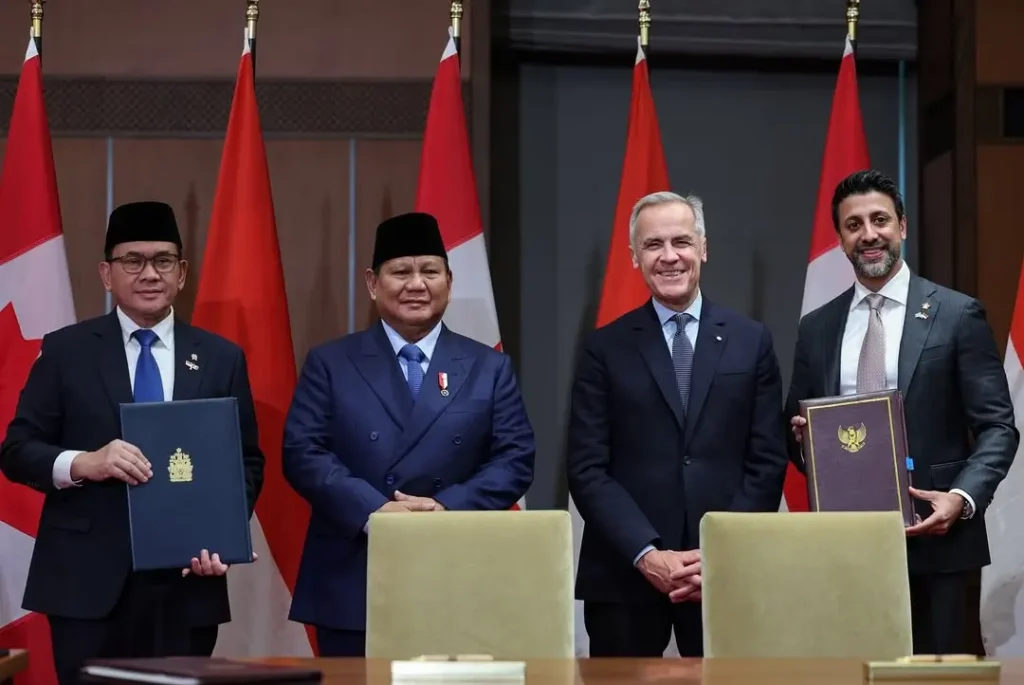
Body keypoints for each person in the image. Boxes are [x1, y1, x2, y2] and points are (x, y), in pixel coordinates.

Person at [0, 201, 265, 685]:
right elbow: (17, 450)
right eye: (132, 261)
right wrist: (84, 463)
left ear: (182, 273)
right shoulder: (66, 351)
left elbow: (246, 462)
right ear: (107, 273)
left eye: (163, 261)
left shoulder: (220, 358)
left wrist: (220, 537)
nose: (149, 273)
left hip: (186, 585)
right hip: (85, 585)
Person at [785, 169, 1018, 655]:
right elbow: (797, 429)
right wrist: (803, 438)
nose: (868, 234)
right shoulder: (817, 328)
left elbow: (997, 427)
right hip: (849, 549)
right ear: (842, 239)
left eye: (879, 220)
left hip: (942, 542)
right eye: (854, 225)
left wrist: (962, 497)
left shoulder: (957, 315)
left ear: (902, 226)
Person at [282, 211, 535, 657]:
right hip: (354, 571)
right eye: (400, 271)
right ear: (372, 283)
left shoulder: (488, 367)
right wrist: (375, 510)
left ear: (449, 282)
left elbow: (516, 459)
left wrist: (445, 507)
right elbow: (303, 453)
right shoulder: (331, 363)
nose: (416, 284)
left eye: (429, 271)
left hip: (455, 570)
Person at [566, 191, 789, 657]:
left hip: (725, 575)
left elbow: (767, 460)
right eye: (653, 245)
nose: (670, 256)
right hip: (624, 576)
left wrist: (719, 554)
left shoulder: (752, 341)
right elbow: (587, 469)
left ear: (703, 249)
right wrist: (647, 554)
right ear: (634, 257)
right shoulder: (603, 349)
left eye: (682, 242)